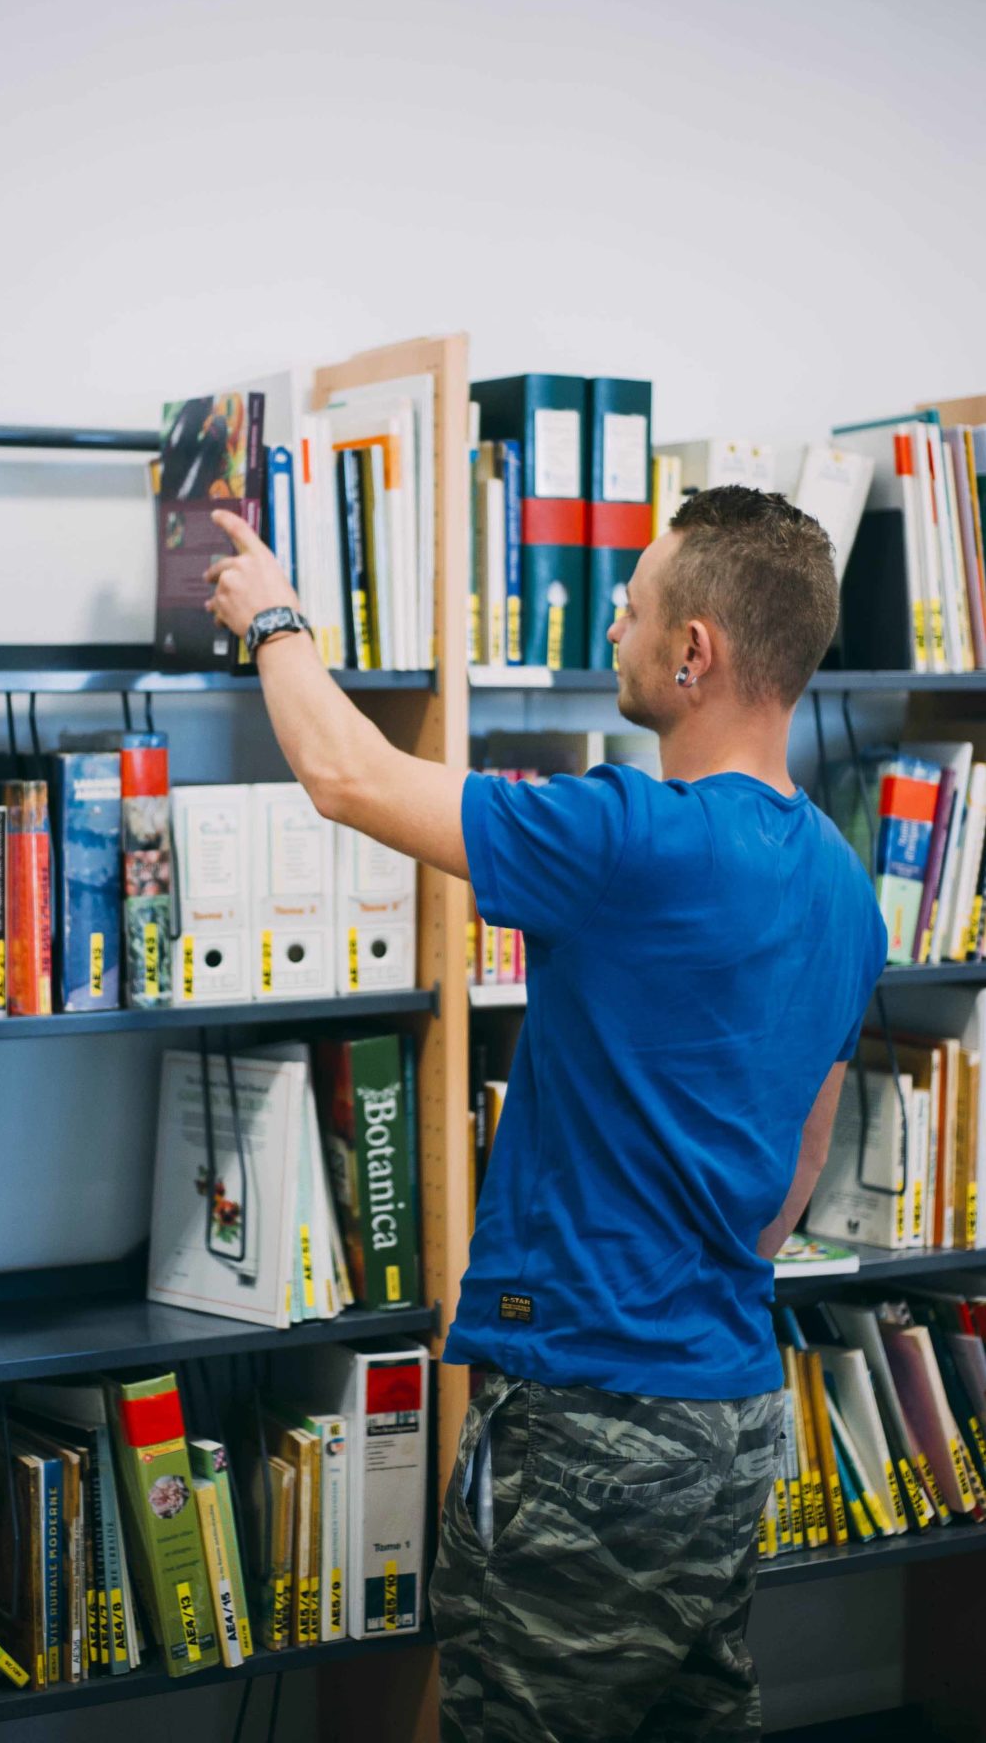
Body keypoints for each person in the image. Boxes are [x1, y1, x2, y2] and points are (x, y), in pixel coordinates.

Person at [204, 483, 888, 1743]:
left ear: (696, 653)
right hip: (733, 1417)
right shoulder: (848, 888)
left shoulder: (631, 837)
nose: (612, 635)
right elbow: (796, 1178)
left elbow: (349, 776)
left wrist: (274, 617)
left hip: (588, 1424)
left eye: (629, 613)